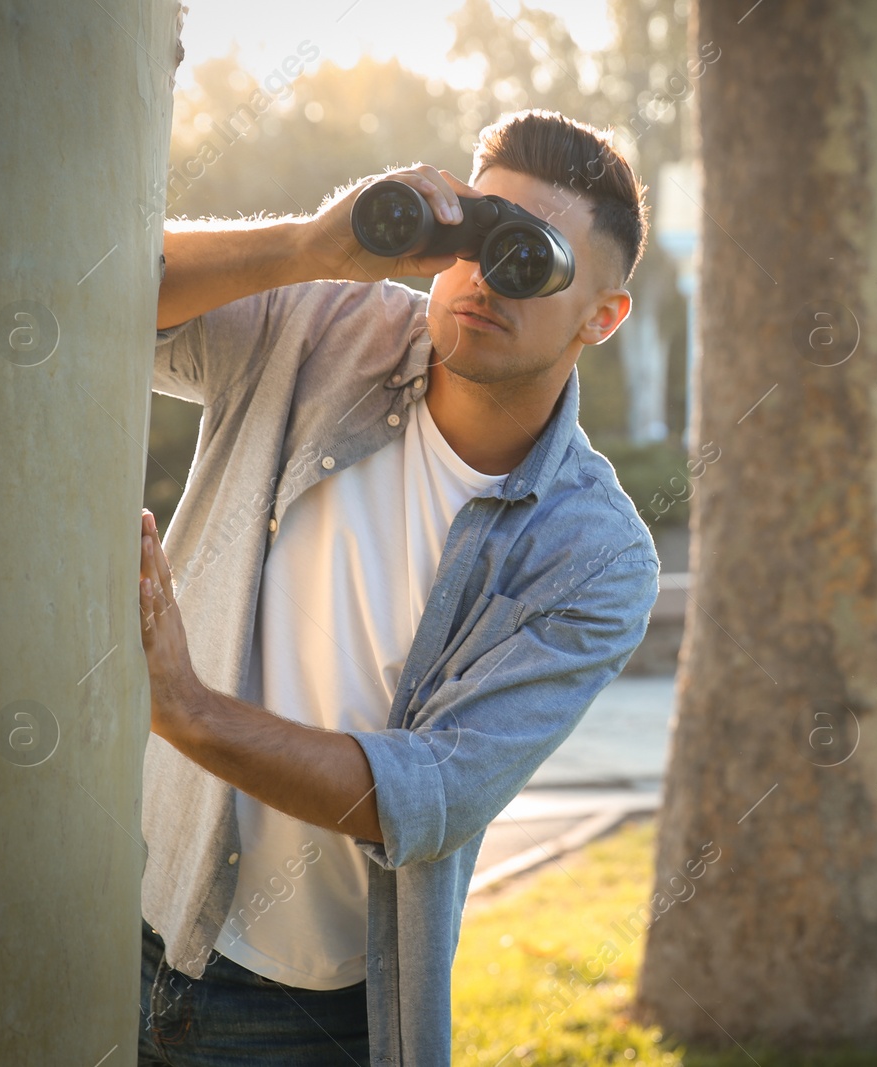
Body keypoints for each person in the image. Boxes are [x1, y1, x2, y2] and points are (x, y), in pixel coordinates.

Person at [133, 108, 660, 1067]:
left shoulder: (597, 559)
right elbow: (104, 295)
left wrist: (188, 711)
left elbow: (426, 797)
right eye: (475, 233)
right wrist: (309, 246)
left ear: (603, 315)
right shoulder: (322, 325)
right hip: (127, 917)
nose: (482, 278)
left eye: (527, 257)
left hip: (313, 1013)